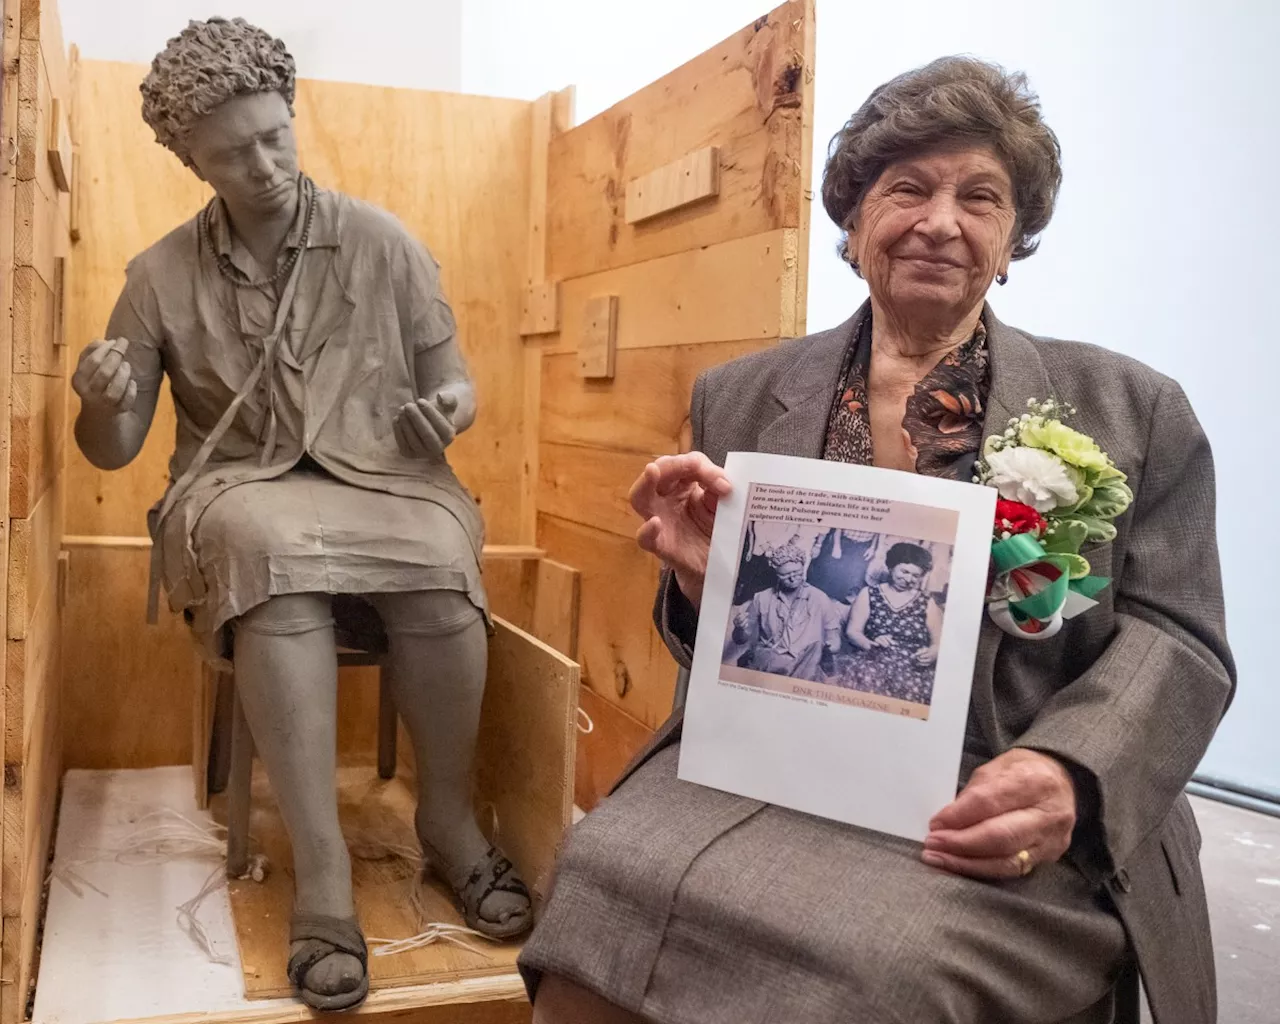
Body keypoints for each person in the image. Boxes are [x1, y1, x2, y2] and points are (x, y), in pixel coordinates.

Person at [519, 56, 1234, 1024]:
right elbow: (737, 632)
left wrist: (1070, 767)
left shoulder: (1127, 407)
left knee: (880, 969)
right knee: (593, 878)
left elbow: (1175, 631)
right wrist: (702, 583)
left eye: (979, 197)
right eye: (907, 188)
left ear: (1013, 239)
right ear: (853, 223)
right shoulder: (739, 394)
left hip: (986, 790)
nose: (941, 220)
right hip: (777, 763)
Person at [69, 18, 530, 1012]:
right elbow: (113, 450)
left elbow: (456, 384)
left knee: (444, 554)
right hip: (237, 487)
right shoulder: (156, 278)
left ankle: (447, 820)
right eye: (232, 151)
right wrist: (103, 401)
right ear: (190, 157)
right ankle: (320, 874)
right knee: (270, 551)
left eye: (274, 135)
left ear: (289, 116)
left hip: (385, 480)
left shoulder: (382, 240)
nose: (264, 163)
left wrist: (446, 408)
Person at [841, 541, 942, 703]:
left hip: (913, 667)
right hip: (874, 660)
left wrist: (932, 654)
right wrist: (870, 644)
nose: (908, 579)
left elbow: (939, 643)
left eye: (916, 575)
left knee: (914, 692)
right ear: (891, 567)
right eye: (904, 571)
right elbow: (853, 632)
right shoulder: (869, 593)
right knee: (869, 682)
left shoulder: (927, 602)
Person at [726, 543, 840, 682]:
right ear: (776, 573)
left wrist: (830, 645)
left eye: (797, 573)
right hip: (767, 666)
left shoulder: (820, 598)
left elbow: (834, 641)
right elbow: (740, 639)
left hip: (805, 668)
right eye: (786, 575)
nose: (793, 578)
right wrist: (740, 628)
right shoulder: (761, 598)